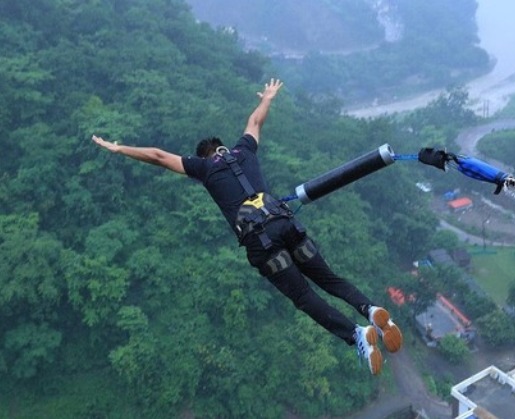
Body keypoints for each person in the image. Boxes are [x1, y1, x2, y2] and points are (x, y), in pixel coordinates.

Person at [91, 78, 402, 375]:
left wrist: (120, 149)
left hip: (262, 243)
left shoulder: (203, 167)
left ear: (204, 156)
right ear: (223, 148)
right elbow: (255, 122)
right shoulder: (244, 150)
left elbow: (158, 156)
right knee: (330, 279)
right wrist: (267, 98)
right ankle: (371, 310)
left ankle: (356, 335)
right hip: (286, 223)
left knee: (305, 297)